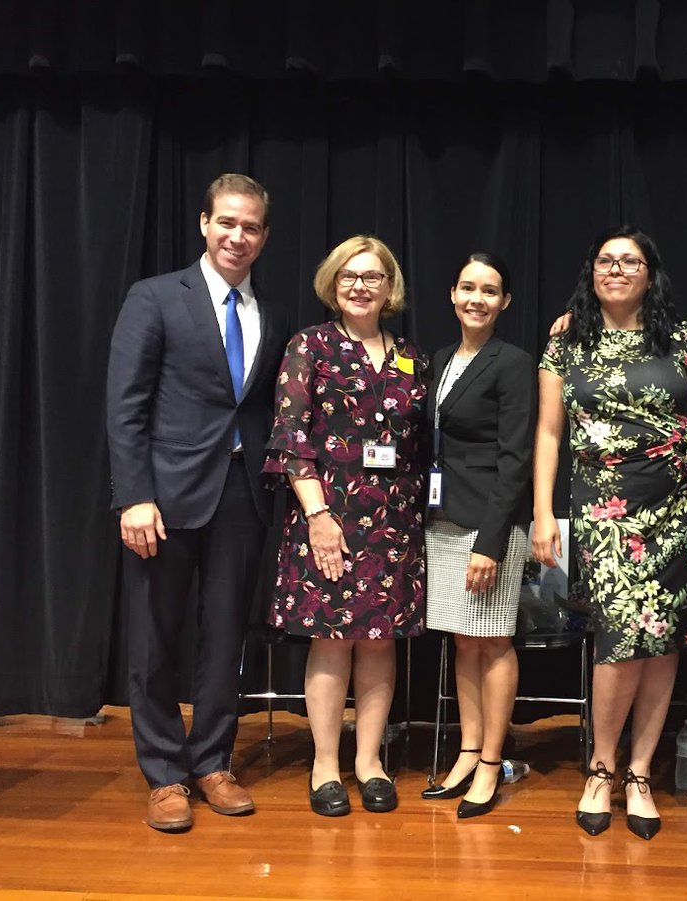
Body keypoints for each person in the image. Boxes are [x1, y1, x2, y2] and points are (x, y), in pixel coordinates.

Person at [106, 173, 291, 832]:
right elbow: (125, 405)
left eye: (250, 227)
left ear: (264, 237)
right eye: (227, 223)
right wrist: (134, 496)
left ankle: (212, 760)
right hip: (164, 499)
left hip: (241, 500)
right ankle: (163, 772)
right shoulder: (155, 297)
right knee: (155, 638)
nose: (237, 236)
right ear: (204, 224)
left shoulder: (268, 312)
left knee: (224, 638)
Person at [533, 226, 687, 841]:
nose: (617, 269)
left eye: (630, 261)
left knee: (664, 639)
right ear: (592, 271)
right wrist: (543, 511)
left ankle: (639, 773)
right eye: (605, 259)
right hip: (605, 508)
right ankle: (601, 769)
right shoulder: (566, 342)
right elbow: (549, 432)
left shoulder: (682, 340)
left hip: (676, 507)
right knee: (618, 638)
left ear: (650, 275)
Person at [264, 235, 428, 818]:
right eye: (349, 276)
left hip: (394, 526)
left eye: (373, 276)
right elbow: (290, 439)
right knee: (333, 644)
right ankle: (326, 765)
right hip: (328, 517)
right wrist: (317, 516)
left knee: (380, 646)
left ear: (390, 287)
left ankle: (369, 762)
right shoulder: (311, 346)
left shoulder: (412, 356)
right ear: (333, 285)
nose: (361, 286)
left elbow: (418, 446)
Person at [420, 253, 537, 818]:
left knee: (491, 640)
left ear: (504, 302)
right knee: (461, 640)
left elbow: (516, 458)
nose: (477, 299)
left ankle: (492, 762)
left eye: (490, 291)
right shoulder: (442, 359)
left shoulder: (512, 363)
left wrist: (491, 542)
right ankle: (467, 751)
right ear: (452, 293)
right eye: (468, 287)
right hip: (443, 520)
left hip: (490, 525)